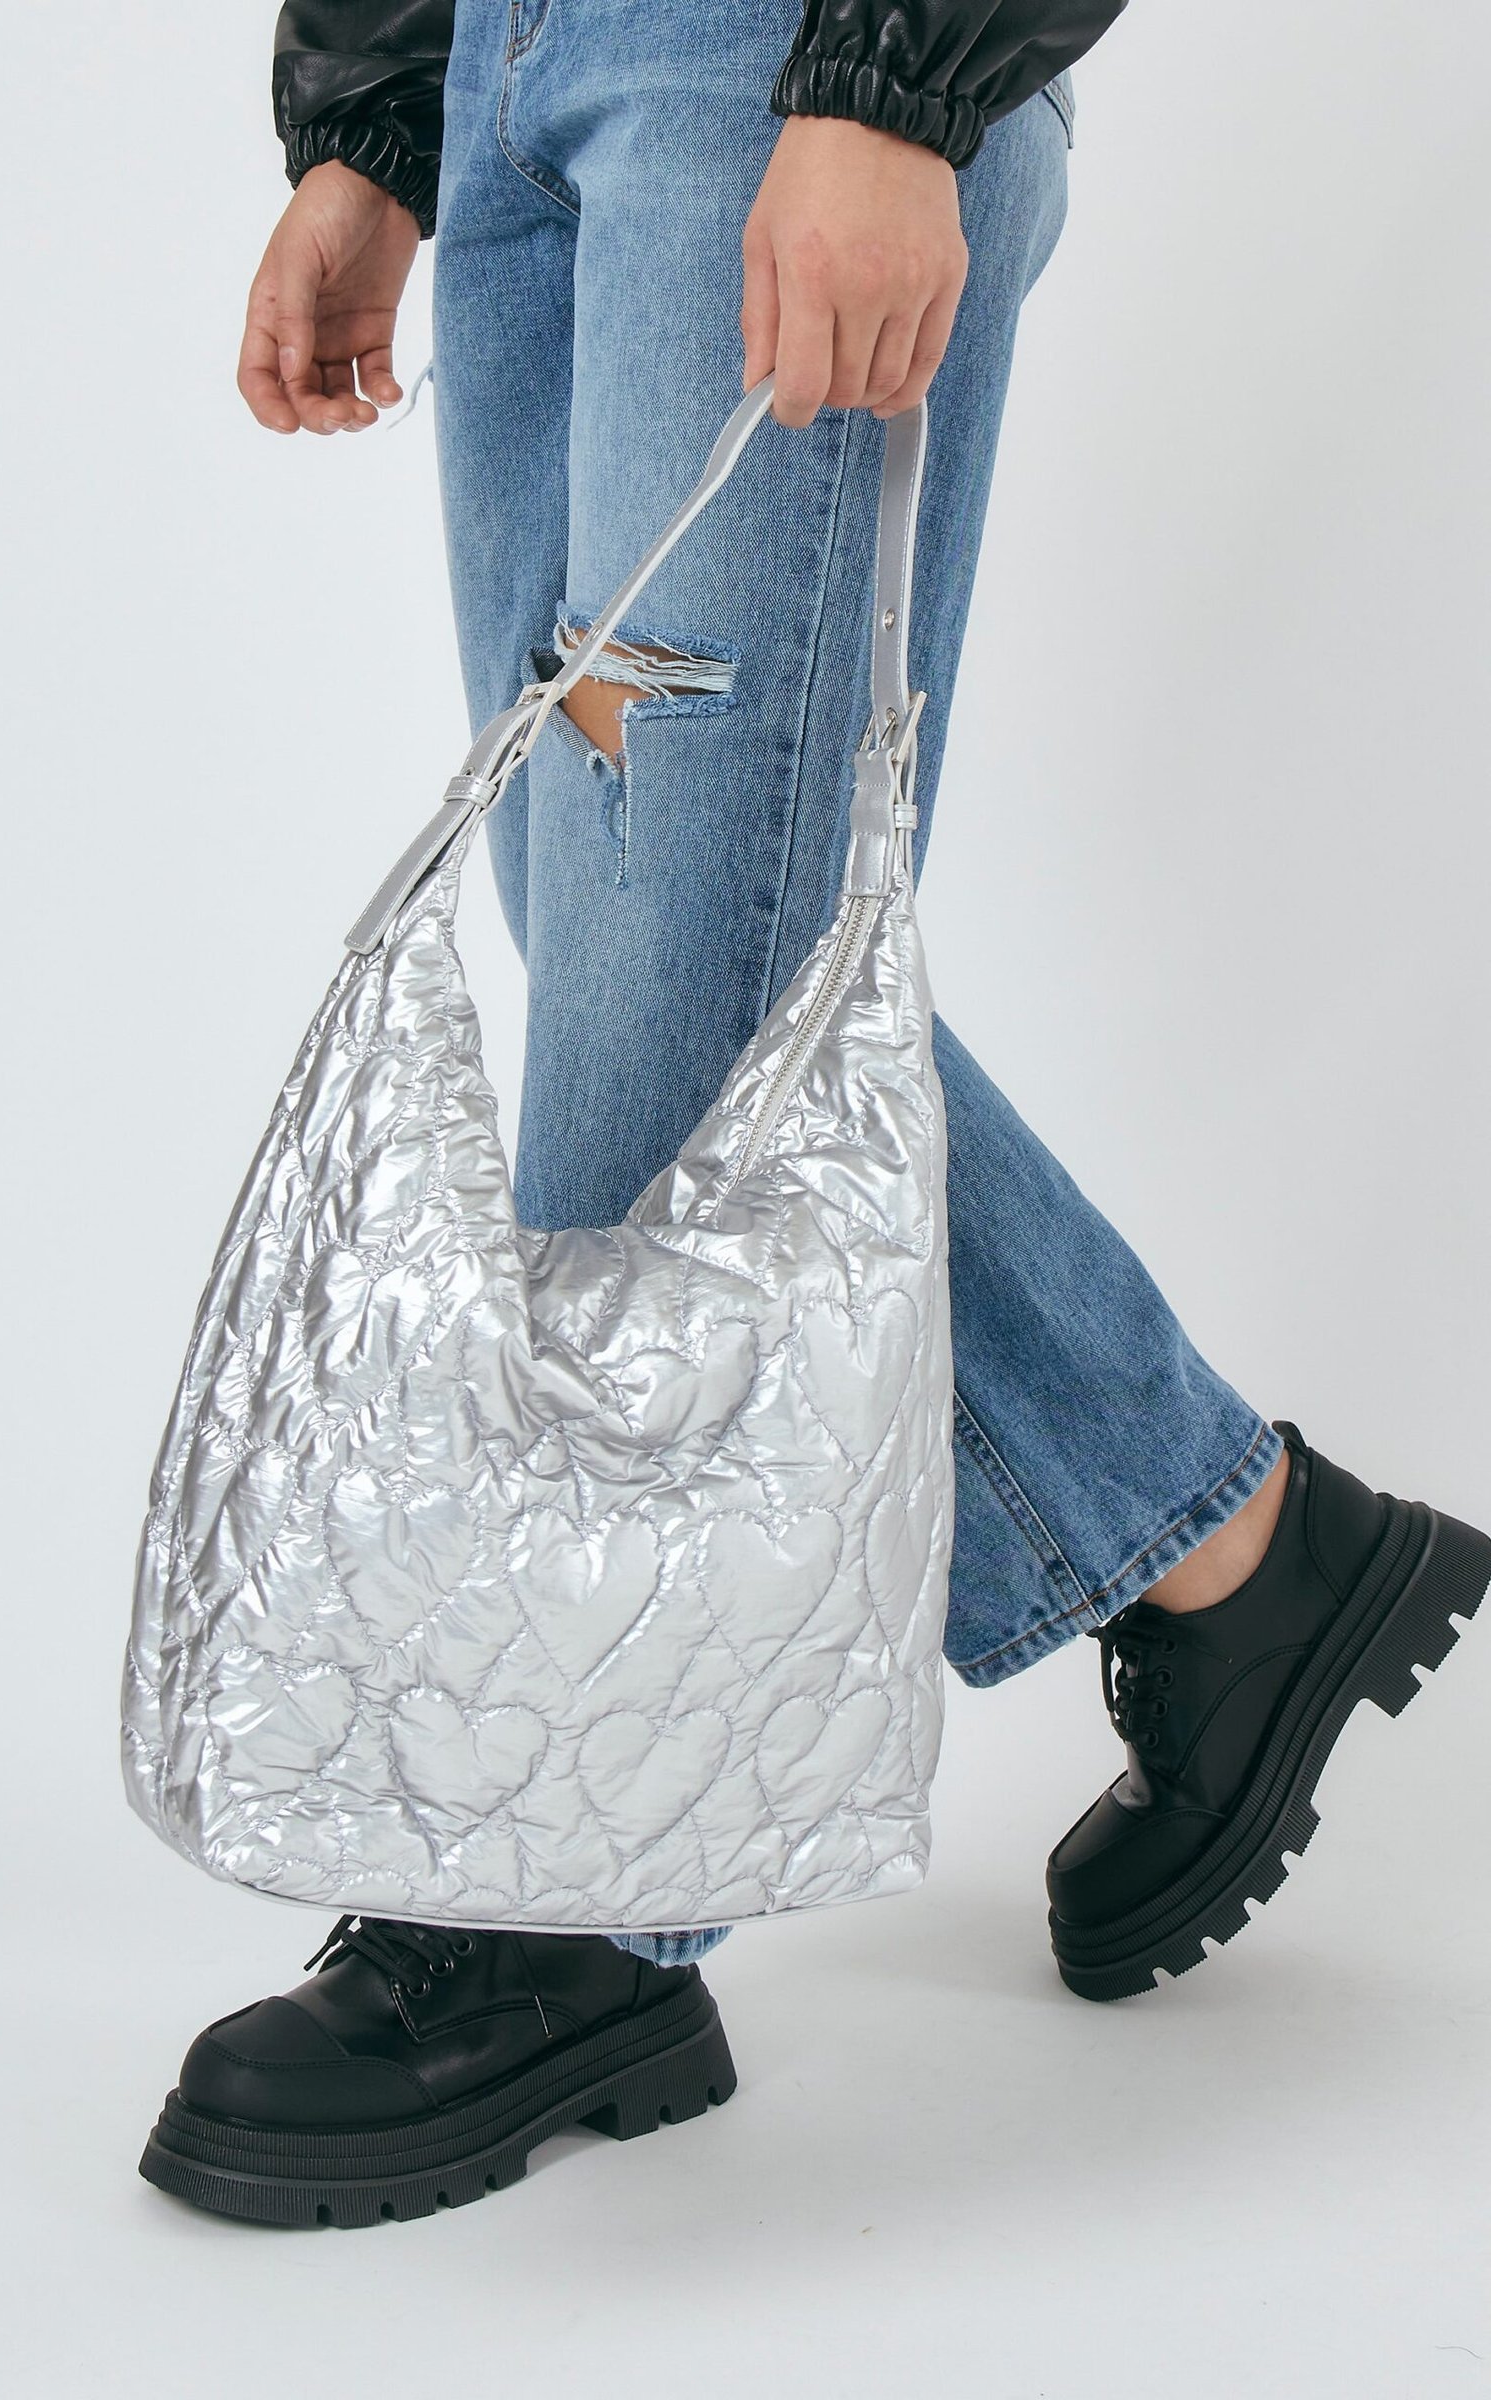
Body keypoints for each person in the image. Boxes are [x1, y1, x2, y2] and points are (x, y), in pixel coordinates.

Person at [137, 0, 1490, 2229]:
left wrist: (895, 76)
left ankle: (582, 1891)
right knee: (634, 929)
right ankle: (1228, 1552)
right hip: (510, 77)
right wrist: (379, 109)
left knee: (680, 962)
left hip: (767, 68)